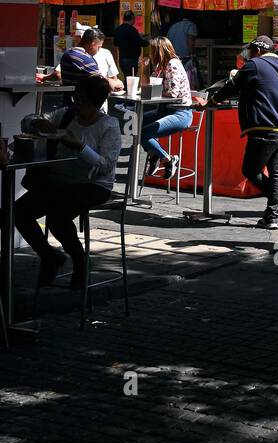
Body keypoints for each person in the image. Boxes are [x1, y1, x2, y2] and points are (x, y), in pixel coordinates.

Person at [15, 75, 122, 289]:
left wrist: (79, 147)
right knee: (19, 211)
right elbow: (27, 120)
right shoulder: (65, 115)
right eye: (76, 99)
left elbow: (105, 166)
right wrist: (37, 122)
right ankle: (49, 255)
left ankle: (80, 259)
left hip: (92, 185)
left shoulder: (108, 126)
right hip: (58, 181)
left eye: (83, 102)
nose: (78, 105)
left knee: (57, 217)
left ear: (96, 103)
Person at [207, 36, 278, 229]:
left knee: (250, 170)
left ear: (257, 50)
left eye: (251, 50)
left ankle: (276, 202)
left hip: (264, 128)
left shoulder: (254, 65)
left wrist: (211, 102)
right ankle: (272, 217)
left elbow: (230, 87)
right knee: (276, 172)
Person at [140, 38, 194, 181]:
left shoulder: (172, 64)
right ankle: (154, 154)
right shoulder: (159, 66)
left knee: (143, 132)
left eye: (152, 51)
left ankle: (167, 158)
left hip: (180, 112)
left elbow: (173, 93)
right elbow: (148, 87)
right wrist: (144, 69)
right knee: (135, 124)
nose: (150, 54)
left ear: (158, 51)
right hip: (164, 110)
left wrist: (154, 92)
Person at [166, 12, 199, 86]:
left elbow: (167, 41)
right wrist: (192, 54)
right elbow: (190, 40)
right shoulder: (191, 25)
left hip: (172, 57)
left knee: (175, 79)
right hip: (185, 58)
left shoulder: (174, 26)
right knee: (186, 79)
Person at [89, 28, 125, 93]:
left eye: (100, 46)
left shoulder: (106, 53)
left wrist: (117, 83)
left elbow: (114, 77)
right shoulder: (83, 56)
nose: (98, 50)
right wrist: (110, 81)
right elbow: (94, 77)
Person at [114, 11, 144, 78]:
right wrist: (147, 41)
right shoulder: (132, 30)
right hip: (131, 60)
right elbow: (140, 42)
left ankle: (126, 88)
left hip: (122, 59)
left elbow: (115, 43)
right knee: (131, 79)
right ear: (132, 18)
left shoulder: (118, 29)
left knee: (127, 78)